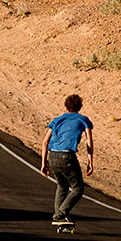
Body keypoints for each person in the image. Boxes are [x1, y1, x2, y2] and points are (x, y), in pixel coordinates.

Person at [40, 94, 94, 225]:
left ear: (65, 107)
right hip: (67, 156)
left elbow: (45, 142)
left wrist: (43, 163)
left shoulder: (56, 120)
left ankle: (60, 216)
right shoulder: (84, 120)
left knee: (62, 185)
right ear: (80, 107)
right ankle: (60, 214)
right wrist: (90, 162)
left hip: (53, 155)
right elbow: (89, 141)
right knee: (77, 189)